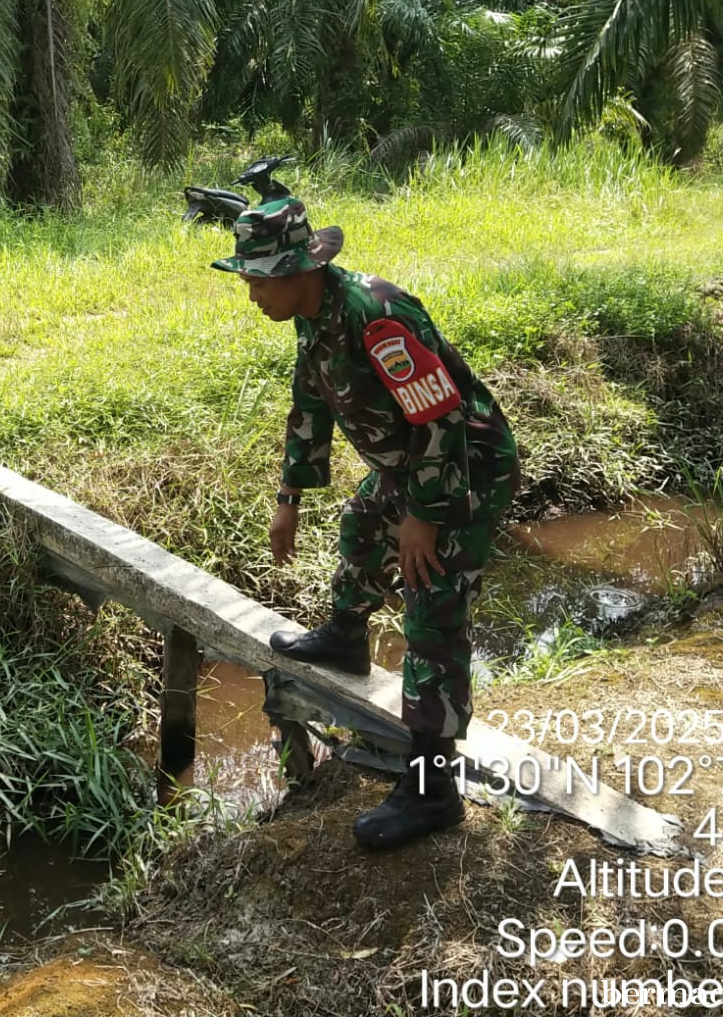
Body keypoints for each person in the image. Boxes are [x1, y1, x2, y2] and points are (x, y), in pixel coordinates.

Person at [211, 196, 519, 850]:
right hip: (413, 471)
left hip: (462, 473)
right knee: (360, 524)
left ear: (300, 271)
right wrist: (289, 495)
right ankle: (347, 637)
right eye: (247, 281)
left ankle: (433, 793)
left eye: (259, 281)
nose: (252, 295)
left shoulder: (377, 320)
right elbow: (309, 401)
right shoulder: (313, 318)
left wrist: (424, 518)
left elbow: (442, 421)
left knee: (433, 613)